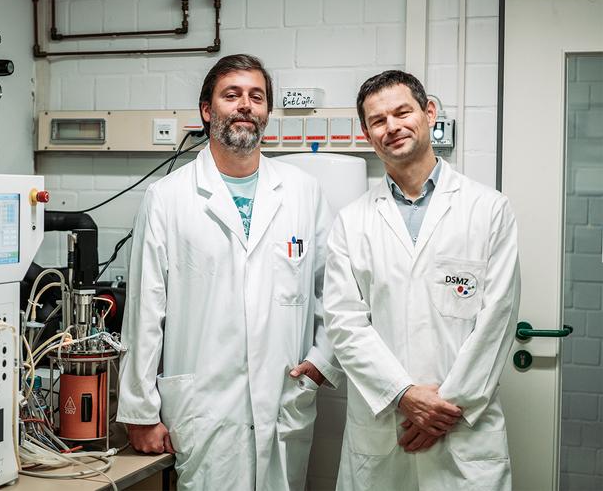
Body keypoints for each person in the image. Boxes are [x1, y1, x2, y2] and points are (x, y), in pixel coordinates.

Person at [116, 54, 343, 491]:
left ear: (267, 113)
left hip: (283, 403)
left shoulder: (302, 192)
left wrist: (321, 362)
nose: (245, 105)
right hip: (204, 408)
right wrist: (140, 412)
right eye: (231, 95)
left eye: (256, 97)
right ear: (207, 110)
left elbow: (334, 292)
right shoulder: (167, 197)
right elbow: (145, 310)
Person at [323, 70, 521, 490]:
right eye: (378, 120)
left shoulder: (488, 209)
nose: (392, 127)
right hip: (384, 426)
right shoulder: (351, 222)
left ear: (428, 112)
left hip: (463, 430)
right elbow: (344, 324)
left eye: (402, 112)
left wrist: (445, 408)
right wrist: (405, 396)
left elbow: (497, 319)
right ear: (367, 133)